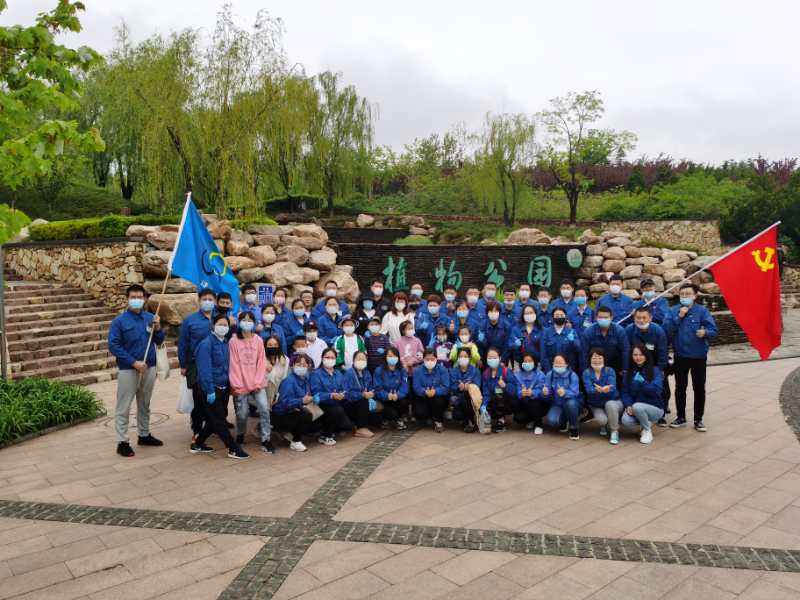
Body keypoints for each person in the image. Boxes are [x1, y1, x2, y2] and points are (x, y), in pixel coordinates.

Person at [108, 284, 164, 457]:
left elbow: (159, 341)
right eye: (133, 297)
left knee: (144, 403)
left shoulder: (150, 318)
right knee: (124, 406)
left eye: (140, 297)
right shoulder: (119, 321)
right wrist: (133, 362)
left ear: (145, 298)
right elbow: (114, 345)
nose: (137, 300)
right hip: (128, 369)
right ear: (127, 298)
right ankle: (122, 442)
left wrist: (158, 328)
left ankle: (144, 435)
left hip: (149, 367)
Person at [192, 314, 248, 459]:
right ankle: (233, 448)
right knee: (219, 420)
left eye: (225, 325)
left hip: (223, 387)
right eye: (220, 324)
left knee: (216, 417)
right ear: (213, 325)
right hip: (210, 388)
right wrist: (209, 390)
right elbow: (204, 370)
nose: (223, 327)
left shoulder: (225, 343)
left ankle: (198, 444)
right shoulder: (206, 344)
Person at [663, 283, 717, 431]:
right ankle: (681, 417)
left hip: (699, 356)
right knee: (680, 387)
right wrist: (679, 317)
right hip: (680, 356)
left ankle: (698, 419)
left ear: (695, 296)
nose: (685, 296)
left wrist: (705, 333)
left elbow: (713, 330)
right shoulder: (673, 311)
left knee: (699, 388)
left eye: (688, 294)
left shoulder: (702, 311)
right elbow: (666, 330)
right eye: (682, 294)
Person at [229, 311, 275, 454]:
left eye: (250, 320)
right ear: (239, 322)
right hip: (241, 384)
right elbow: (233, 364)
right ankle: (240, 434)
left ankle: (266, 439)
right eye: (244, 320)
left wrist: (257, 383)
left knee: (264, 409)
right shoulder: (233, 341)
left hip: (258, 383)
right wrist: (237, 385)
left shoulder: (258, 340)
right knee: (242, 413)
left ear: (254, 323)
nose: (247, 323)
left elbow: (261, 362)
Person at [178, 288, 216, 442]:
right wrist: (183, 365)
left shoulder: (219, 319)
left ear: (215, 301)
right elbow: (183, 344)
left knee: (214, 398)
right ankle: (197, 429)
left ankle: (213, 426)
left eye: (210, 299)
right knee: (198, 399)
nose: (207, 302)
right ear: (199, 301)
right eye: (204, 299)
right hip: (196, 365)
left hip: (216, 364)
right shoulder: (190, 321)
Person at [626, 307, 669, 425]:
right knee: (635, 386)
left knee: (662, 389)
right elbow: (626, 350)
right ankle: (638, 409)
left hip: (654, 365)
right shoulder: (629, 330)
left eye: (644, 318)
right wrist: (626, 368)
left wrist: (660, 369)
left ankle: (661, 413)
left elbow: (663, 351)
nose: (641, 320)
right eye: (638, 318)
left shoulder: (658, 331)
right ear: (634, 318)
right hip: (636, 363)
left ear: (650, 318)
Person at [621, 344, 664, 444]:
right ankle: (645, 421)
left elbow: (656, 391)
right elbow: (625, 392)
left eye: (641, 355)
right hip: (636, 407)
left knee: (638, 406)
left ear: (646, 355)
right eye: (635, 355)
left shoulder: (655, 370)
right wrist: (628, 405)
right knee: (625, 420)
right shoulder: (628, 373)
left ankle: (647, 431)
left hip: (655, 408)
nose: (638, 357)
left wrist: (643, 382)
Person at [274, 354, 316, 452]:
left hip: (297, 409)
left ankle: (291, 433)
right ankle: (296, 441)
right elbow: (284, 402)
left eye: (304, 365)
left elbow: (307, 396)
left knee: (317, 412)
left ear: (308, 367)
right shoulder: (289, 380)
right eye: (298, 364)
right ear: (292, 365)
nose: (301, 367)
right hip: (283, 414)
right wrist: (301, 401)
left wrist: (310, 400)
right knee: (306, 414)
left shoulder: (305, 380)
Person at [582, 348, 622, 444]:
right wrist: (598, 390)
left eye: (600, 358)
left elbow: (613, 388)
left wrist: (607, 390)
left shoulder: (610, 370)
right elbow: (588, 390)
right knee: (602, 420)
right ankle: (605, 424)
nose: (597, 360)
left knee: (610, 405)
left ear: (604, 359)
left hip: (613, 401)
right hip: (596, 404)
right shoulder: (586, 372)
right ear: (589, 359)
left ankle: (614, 431)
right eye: (594, 358)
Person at [581, 306, 629, 383]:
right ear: (596, 318)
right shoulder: (588, 332)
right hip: (595, 366)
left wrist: (625, 369)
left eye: (606, 317)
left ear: (611, 318)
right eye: (600, 317)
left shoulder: (619, 331)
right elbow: (584, 354)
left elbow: (625, 351)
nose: (603, 320)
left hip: (615, 365)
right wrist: (585, 372)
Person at [540, 354, 582, 440]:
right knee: (552, 421)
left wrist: (565, 393)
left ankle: (574, 427)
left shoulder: (572, 375)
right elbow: (547, 394)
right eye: (556, 363)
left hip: (571, 403)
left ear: (566, 364)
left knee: (571, 404)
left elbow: (575, 392)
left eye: (561, 363)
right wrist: (545, 393)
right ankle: (564, 422)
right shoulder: (550, 374)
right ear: (552, 363)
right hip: (557, 404)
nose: (558, 365)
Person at [412, 349, 450, 432]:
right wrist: (424, 391)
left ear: (436, 359)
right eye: (427, 359)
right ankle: (430, 416)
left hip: (438, 397)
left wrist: (435, 391)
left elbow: (446, 387)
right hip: (423, 397)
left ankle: (439, 421)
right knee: (419, 413)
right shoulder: (417, 370)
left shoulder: (443, 370)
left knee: (439, 402)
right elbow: (416, 387)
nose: (430, 361)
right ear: (423, 359)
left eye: (432, 359)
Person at [480, 347, 516, 433]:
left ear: (499, 358)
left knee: (498, 394)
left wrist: (505, 386)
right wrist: (484, 406)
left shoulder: (506, 371)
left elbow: (513, 391)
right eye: (489, 358)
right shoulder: (485, 374)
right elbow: (486, 393)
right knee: (483, 405)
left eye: (494, 357)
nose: (492, 360)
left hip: (506, 401)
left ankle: (501, 420)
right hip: (493, 400)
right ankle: (490, 419)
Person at [343, 351, 378, 438]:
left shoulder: (367, 372)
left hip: (365, 402)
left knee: (378, 417)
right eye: (358, 359)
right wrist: (361, 394)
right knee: (362, 400)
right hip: (350, 403)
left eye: (363, 359)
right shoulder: (349, 373)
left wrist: (371, 393)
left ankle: (363, 424)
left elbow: (372, 388)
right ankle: (360, 428)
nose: (361, 361)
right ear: (353, 360)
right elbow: (347, 394)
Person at [374, 347, 409, 429]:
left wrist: (398, 395)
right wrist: (387, 395)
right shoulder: (379, 370)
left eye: (395, 356)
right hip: (384, 399)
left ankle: (399, 419)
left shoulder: (402, 370)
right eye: (390, 356)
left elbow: (405, 386)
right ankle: (387, 419)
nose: (392, 358)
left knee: (405, 401)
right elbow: (377, 388)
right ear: (385, 357)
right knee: (391, 414)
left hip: (397, 398)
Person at [264, 335, 289, 449]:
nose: (272, 347)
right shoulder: (261, 359)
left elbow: (285, 379)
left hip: (278, 392)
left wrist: (278, 396)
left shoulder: (285, 360)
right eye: (270, 345)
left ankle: (278, 429)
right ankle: (266, 438)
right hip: (263, 392)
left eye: (275, 345)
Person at [449, 347, 482, 432]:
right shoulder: (453, 371)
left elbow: (477, 384)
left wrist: (469, 387)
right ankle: (466, 420)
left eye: (465, 356)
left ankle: (471, 421)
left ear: (469, 358)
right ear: (457, 358)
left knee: (466, 397)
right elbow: (452, 386)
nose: (463, 358)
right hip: (458, 398)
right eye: (460, 356)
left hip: (472, 399)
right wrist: (459, 387)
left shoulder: (475, 371)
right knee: (457, 415)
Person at [514, 351, 547, 435]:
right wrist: (521, 393)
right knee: (518, 418)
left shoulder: (540, 374)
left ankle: (539, 424)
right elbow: (516, 389)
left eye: (530, 361)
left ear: (534, 362)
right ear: (521, 363)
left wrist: (533, 393)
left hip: (538, 402)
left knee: (535, 404)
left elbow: (542, 389)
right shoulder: (517, 375)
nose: (527, 363)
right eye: (525, 361)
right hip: (524, 401)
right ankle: (531, 420)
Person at [540, 307, 582, 372]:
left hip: (568, 370)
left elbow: (579, 349)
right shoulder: (546, 332)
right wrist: (549, 371)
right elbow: (543, 354)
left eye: (562, 315)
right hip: (551, 369)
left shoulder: (572, 331)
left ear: (565, 317)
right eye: (557, 315)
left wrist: (573, 341)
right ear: (552, 317)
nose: (559, 317)